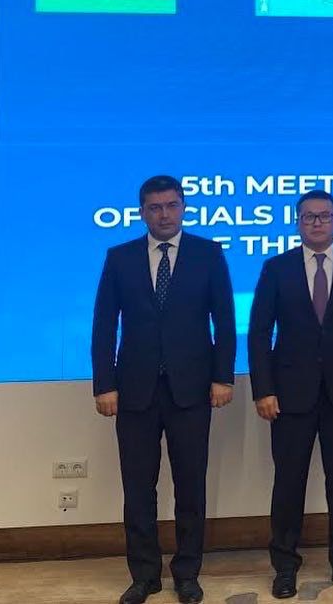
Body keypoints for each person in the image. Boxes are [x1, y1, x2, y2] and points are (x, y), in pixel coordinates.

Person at [92, 175, 236, 604]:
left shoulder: (208, 254)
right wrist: (105, 384)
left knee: (191, 486)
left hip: (192, 390)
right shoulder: (120, 258)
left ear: (183, 207)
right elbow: (104, 325)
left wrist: (223, 377)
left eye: (172, 205)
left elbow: (225, 321)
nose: (164, 214)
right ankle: (144, 575)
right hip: (134, 390)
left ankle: (187, 573)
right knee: (138, 488)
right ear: (142, 212)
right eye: (155, 207)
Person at [247, 190, 333, 598]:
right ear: (298, 223)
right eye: (309, 217)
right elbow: (259, 333)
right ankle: (284, 566)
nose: (317, 223)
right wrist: (263, 389)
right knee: (289, 482)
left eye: (324, 216)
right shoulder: (277, 268)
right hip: (290, 395)